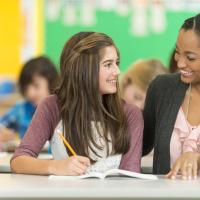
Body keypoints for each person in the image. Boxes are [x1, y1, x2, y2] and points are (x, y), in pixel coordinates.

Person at [10, 32, 144, 176]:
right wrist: (54, 166)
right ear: (84, 70)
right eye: (108, 64)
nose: (117, 71)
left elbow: (130, 177)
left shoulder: (131, 114)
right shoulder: (51, 106)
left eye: (116, 63)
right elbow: (18, 161)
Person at [143, 13, 200, 179]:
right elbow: (139, 145)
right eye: (177, 52)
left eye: (190, 57)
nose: (180, 63)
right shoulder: (162, 88)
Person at [0, 56, 59, 144]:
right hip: (27, 156)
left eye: (36, 85)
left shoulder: (62, 108)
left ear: (51, 83)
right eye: (26, 88)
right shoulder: (21, 108)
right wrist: (3, 133)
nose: (30, 93)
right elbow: (2, 124)